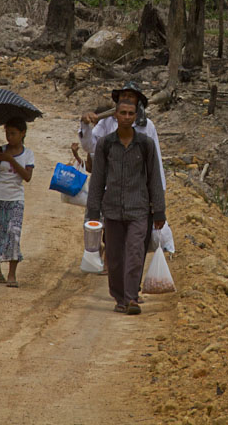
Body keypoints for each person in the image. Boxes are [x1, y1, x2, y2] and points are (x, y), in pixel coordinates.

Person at [84, 94, 165, 315]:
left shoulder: (145, 144)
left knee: (135, 253)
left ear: (136, 116)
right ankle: (119, 298)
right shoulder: (106, 144)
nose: (127, 117)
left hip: (139, 209)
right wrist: (92, 212)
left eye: (131, 114)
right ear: (115, 116)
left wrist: (159, 210)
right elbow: (98, 179)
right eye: (123, 113)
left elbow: (154, 179)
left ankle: (131, 298)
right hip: (112, 210)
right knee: (115, 256)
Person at [0, 117, 35, 289]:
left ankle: (12, 274)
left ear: (22, 133)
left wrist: (10, 160)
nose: (9, 137)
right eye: (7, 133)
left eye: (13, 133)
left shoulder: (28, 154)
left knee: (13, 234)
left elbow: (27, 177)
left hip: (16, 198)